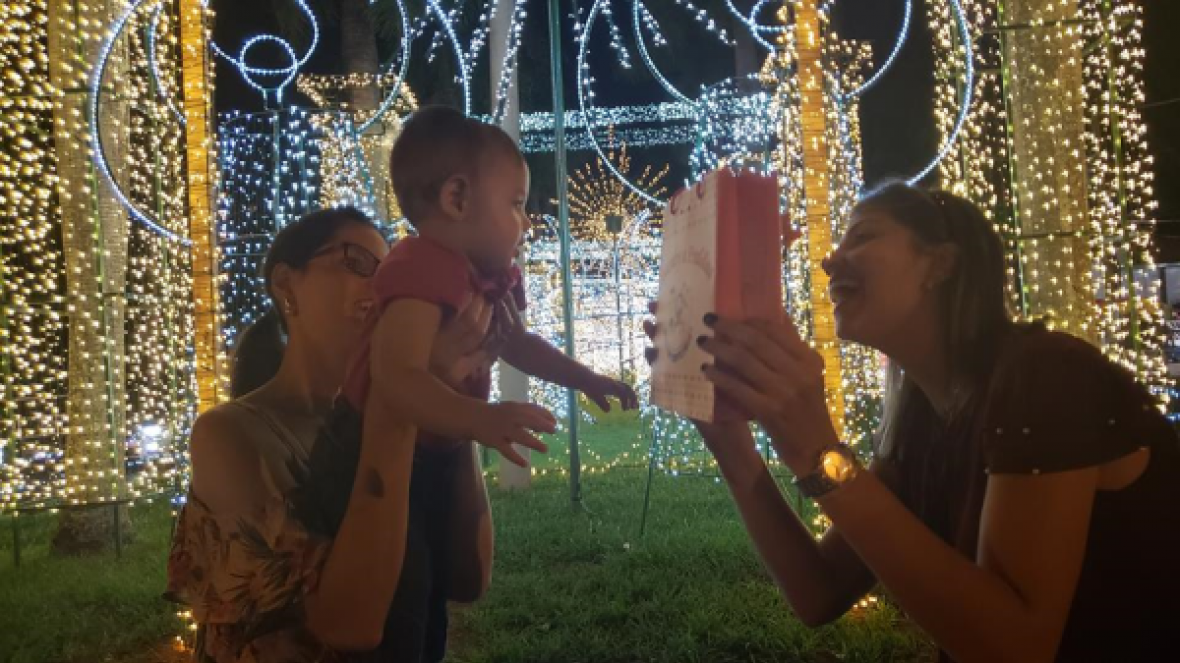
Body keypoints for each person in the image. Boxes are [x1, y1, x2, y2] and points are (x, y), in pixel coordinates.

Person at [646, 183, 1180, 662]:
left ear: (940, 265)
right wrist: (733, 449)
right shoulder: (920, 411)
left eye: (863, 237)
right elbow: (819, 590)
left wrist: (820, 450)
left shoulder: (1045, 374)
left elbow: (1017, 646)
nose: (832, 260)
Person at [293, 105, 639, 662]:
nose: (526, 222)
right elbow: (398, 379)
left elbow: (516, 342)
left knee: (427, 587)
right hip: (361, 452)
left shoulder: (487, 276)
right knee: (396, 595)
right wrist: (480, 418)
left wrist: (583, 377)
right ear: (457, 199)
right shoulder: (420, 267)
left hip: (425, 454)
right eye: (516, 204)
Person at [166, 206, 502, 661]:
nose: (384, 289)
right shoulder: (229, 434)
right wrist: (399, 399)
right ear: (286, 286)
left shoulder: (400, 418)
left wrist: (450, 402)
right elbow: (350, 625)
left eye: (391, 274)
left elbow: (468, 577)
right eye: (356, 263)